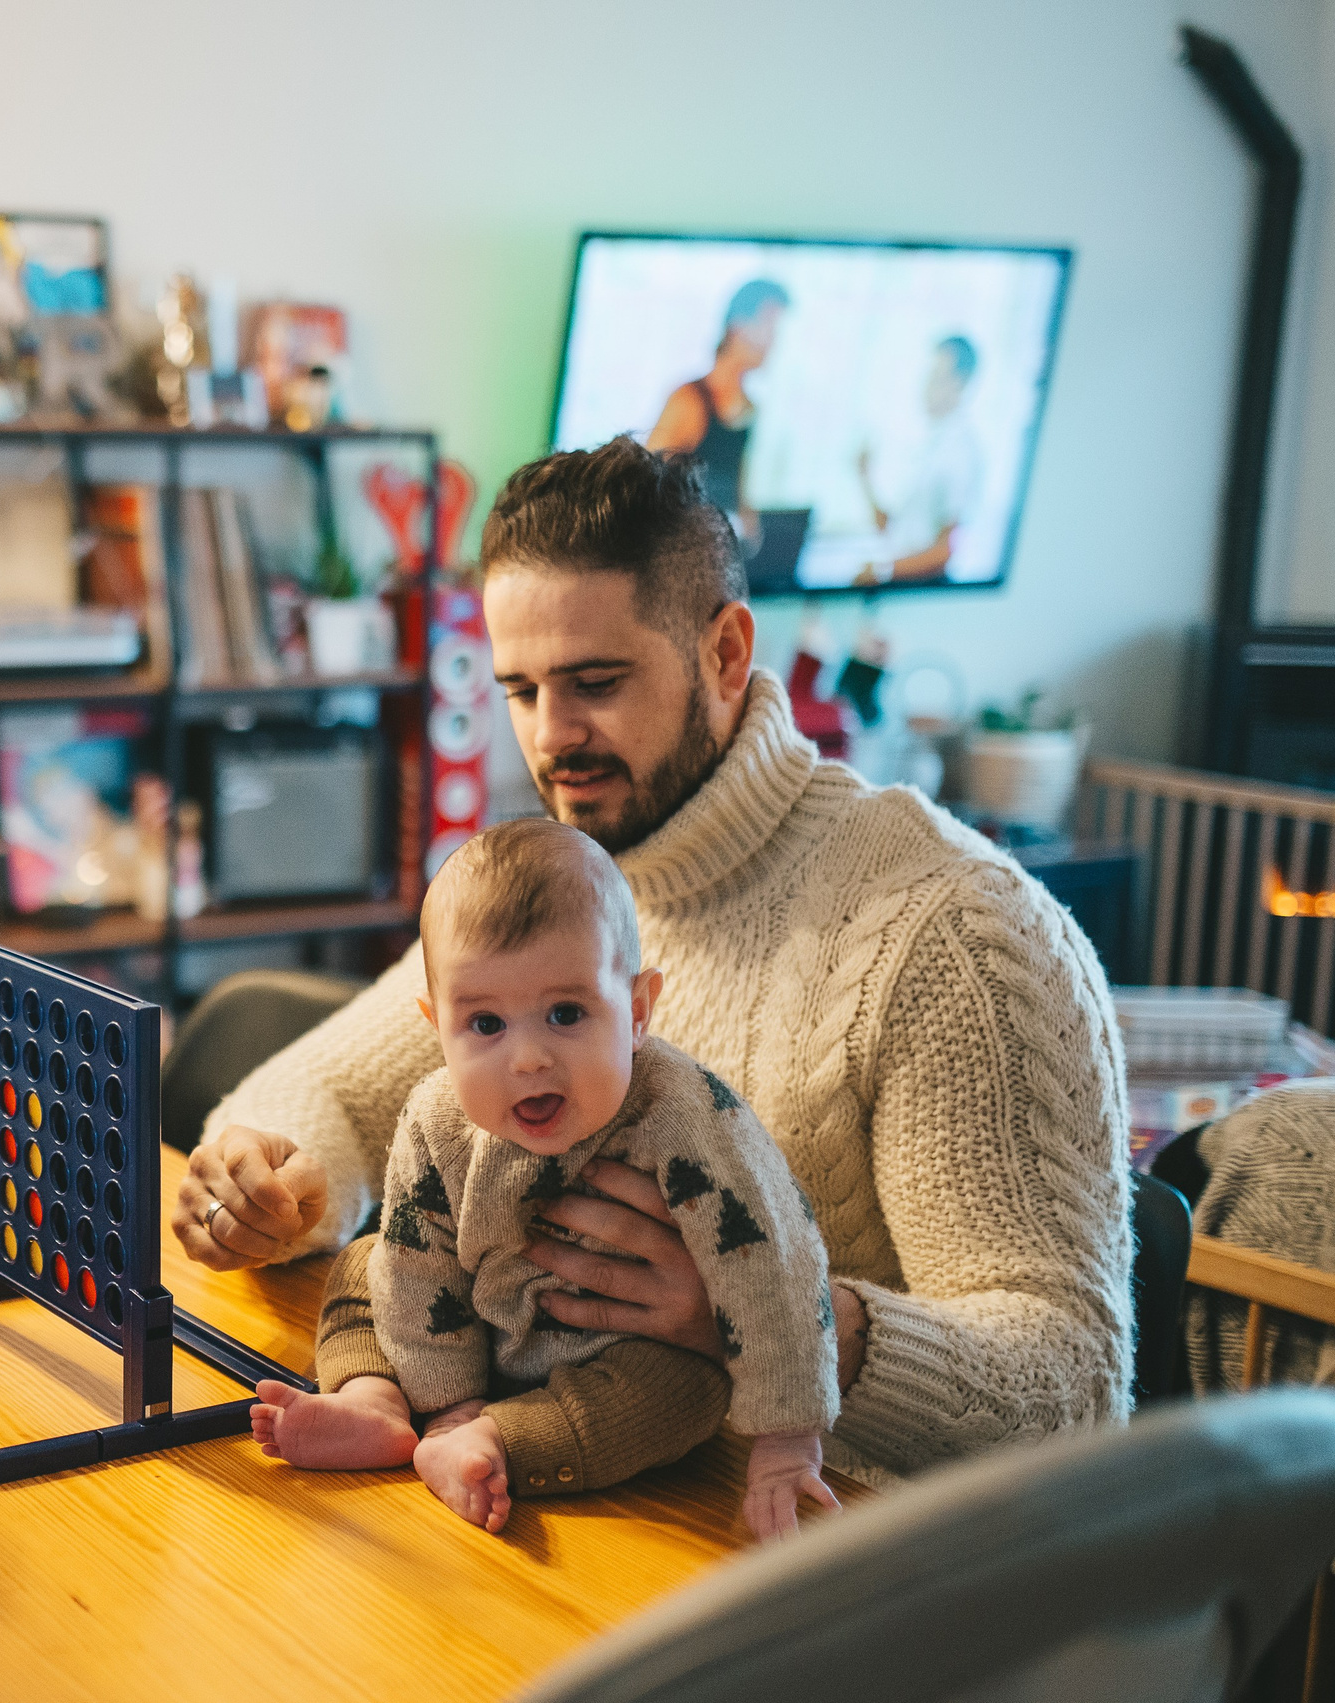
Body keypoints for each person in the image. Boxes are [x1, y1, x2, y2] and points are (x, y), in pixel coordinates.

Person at [175, 438, 1130, 1486]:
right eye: (521, 689)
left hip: (835, 1558)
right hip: (570, 1498)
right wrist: (267, 1175)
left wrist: (763, 1306)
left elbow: (1074, 1383)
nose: (551, 737)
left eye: (594, 681)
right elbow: (337, 1083)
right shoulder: (573, 880)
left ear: (725, 653)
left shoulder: (954, 931)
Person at [252, 820, 840, 1540]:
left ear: (638, 1010)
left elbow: (773, 1256)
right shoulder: (436, 1116)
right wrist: (445, 1399)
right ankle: (375, 1400)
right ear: (437, 1027)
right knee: (368, 1257)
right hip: (466, 1329)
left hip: (610, 1359)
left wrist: (788, 1438)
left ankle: (502, 1442)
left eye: (566, 1013)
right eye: (486, 1024)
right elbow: (417, 1268)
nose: (528, 1058)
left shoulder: (686, 1115)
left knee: (688, 1388)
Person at [647, 277, 789, 544]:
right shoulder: (689, 399)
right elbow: (647, 484)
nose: (774, 342)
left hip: (720, 553)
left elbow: (738, 488)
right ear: (738, 329)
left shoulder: (750, 409)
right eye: (770, 328)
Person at [854, 334, 986, 586]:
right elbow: (894, 531)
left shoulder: (961, 453)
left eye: (936, 377)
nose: (925, 386)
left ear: (959, 383)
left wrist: (884, 570)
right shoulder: (931, 444)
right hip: (900, 583)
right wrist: (863, 476)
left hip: (924, 590)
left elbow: (946, 550)